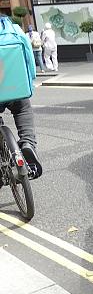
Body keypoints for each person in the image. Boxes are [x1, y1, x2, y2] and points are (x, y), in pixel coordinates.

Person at [0, 17, 42, 178]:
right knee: (23, 108)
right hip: (15, 89)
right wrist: (29, 83)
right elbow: (29, 59)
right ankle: (27, 143)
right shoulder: (12, 29)